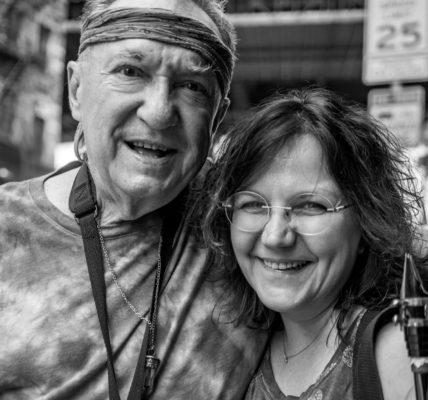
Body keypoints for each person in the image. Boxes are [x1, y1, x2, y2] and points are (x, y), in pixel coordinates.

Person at [0, 0, 268, 399]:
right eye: (130, 71)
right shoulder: (7, 228)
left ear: (216, 117)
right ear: (76, 90)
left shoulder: (251, 227)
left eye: (192, 87)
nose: (159, 113)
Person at [198, 87, 427, 400]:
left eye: (311, 206)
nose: (275, 236)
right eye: (253, 204)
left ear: (367, 222)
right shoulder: (240, 346)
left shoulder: (398, 349)